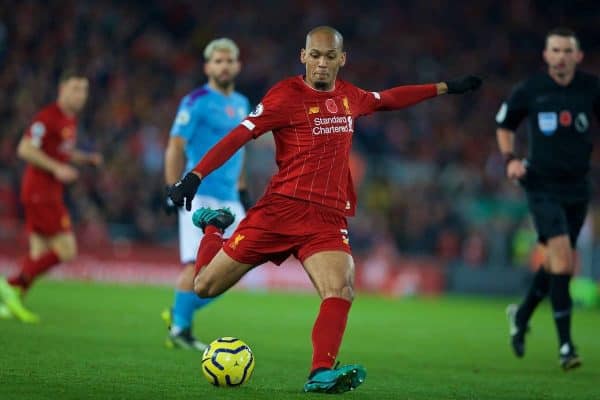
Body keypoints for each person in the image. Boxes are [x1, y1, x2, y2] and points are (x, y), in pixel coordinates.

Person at [168, 26, 481, 393]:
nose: (321, 64)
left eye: (329, 57)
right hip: (278, 212)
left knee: (341, 289)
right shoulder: (284, 95)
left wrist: (444, 87)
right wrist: (194, 176)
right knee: (204, 286)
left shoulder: (351, 96)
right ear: (303, 57)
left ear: (341, 60)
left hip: (326, 219)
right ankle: (213, 229)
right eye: (314, 56)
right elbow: (239, 135)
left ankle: (319, 372)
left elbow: (390, 99)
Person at [497, 27, 600, 370]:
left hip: (578, 187)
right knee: (562, 258)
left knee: (560, 263)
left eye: (566, 51)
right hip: (540, 184)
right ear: (546, 55)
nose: (560, 57)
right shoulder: (531, 90)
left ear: (577, 56)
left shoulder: (590, 88)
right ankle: (567, 346)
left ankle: (522, 314)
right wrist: (510, 159)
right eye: (554, 50)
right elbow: (505, 123)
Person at [161, 38, 251, 350]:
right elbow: (175, 145)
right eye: (218, 61)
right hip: (198, 196)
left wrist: (242, 187)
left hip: (230, 198)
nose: (224, 66)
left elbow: (240, 150)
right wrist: (172, 188)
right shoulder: (195, 101)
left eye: (229, 61)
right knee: (195, 266)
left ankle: (179, 311)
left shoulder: (242, 102)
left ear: (237, 65)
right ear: (207, 67)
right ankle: (180, 329)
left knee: (241, 265)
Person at [0, 70, 101, 323]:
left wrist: (84, 158)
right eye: (76, 88)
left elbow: (60, 151)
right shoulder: (47, 117)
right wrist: (57, 169)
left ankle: (12, 303)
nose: (81, 95)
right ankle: (10, 285)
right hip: (40, 193)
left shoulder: (70, 121)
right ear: (62, 89)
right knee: (66, 250)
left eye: (85, 90)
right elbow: (24, 149)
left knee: (39, 253)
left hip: (46, 192)